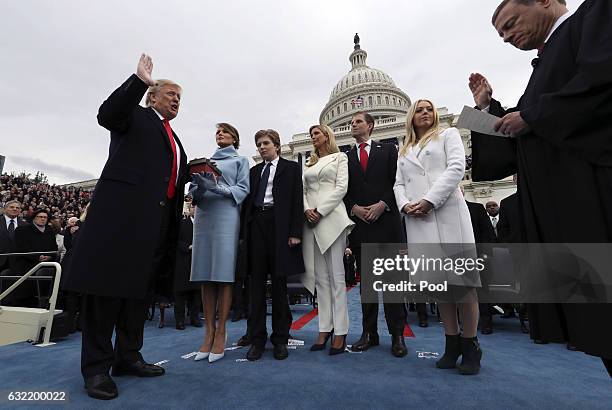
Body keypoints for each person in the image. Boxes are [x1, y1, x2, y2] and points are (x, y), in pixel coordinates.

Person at [469, 0, 612, 376]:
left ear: (547, 1)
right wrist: (489, 110)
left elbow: (601, 83)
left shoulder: (595, 15)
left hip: (596, 197)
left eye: (510, 23)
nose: (506, 37)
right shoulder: (545, 63)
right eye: (500, 34)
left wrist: (532, 116)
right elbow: (524, 138)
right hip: (566, 210)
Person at [63, 54, 188, 399]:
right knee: (105, 297)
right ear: (152, 96)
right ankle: (97, 369)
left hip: (155, 228)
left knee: (138, 296)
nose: (177, 99)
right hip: (120, 224)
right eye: (170, 94)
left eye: (180, 97)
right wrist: (138, 81)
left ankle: (129, 356)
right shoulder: (135, 114)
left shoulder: (175, 140)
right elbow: (108, 114)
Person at [394, 99, 482, 375]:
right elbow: (398, 183)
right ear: (411, 116)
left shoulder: (448, 134)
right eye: (419, 109)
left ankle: (470, 345)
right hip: (419, 221)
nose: (425, 113)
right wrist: (404, 205)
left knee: (463, 286)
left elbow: (456, 168)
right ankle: (451, 342)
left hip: (448, 215)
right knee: (440, 287)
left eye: (428, 109)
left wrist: (430, 200)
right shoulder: (405, 149)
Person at [344, 111, 408, 358]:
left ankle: (397, 335)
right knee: (367, 288)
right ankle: (369, 333)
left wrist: (384, 203)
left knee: (393, 285)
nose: (353, 124)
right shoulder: (346, 157)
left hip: (387, 224)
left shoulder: (389, 150)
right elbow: (344, 190)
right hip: (362, 226)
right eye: (351, 122)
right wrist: (354, 208)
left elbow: (399, 182)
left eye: (358, 121)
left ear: (370, 126)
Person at [241, 129, 305, 361]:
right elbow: (247, 202)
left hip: (280, 227)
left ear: (277, 146)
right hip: (257, 225)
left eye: (266, 143)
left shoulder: (292, 169)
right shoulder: (254, 171)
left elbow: (298, 201)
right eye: (258, 144)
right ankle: (257, 340)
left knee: (279, 285)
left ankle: (280, 339)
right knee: (256, 286)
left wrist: (295, 232)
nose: (261, 147)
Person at [189, 122, 250, 363]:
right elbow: (194, 194)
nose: (220, 134)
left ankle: (221, 332)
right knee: (205, 273)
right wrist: (199, 188)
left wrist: (219, 187)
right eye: (217, 131)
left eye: (225, 131)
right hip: (204, 217)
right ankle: (208, 332)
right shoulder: (203, 162)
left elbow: (242, 189)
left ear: (234, 138)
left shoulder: (241, 161)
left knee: (222, 274)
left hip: (226, 216)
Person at [302, 125, 354, 355]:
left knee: (337, 277)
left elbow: (341, 188)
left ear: (327, 136)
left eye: (317, 134)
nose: (313, 137)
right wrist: (307, 210)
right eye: (311, 134)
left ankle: (341, 331)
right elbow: (302, 191)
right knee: (321, 279)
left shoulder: (340, 157)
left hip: (332, 218)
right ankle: (324, 328)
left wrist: (320, 210)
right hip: (311, 221)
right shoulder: (308, 163)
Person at [13, 209, 58, 308]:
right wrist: (37, 257)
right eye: (40, 217)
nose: (43, 219)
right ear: (34, 218)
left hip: (46, 263)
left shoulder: (49, 231)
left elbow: (54, 248)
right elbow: (21, 248)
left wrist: (49, 256)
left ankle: (46, 301)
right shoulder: (22, 230)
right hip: (26, 263)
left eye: (45, 217)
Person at [173, 204, 202, 330]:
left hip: (198, 263)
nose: (196, 210)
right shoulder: (182, 223)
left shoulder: (203, 225)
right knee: (180, 293)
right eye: (194, 208)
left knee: (196, 293)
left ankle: (195, 318)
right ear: (190, 209)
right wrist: (188, 247)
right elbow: (175, 240)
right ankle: (180, 320)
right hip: (184, 261)